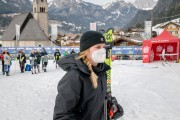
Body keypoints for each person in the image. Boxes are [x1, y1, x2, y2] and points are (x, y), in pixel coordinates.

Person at [53, 31, 123, 120]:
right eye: (98, 47)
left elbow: (98, 101)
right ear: (86, 50)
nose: (102, 50)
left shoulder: (102, 72)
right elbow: (62, 116)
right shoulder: (74, 77)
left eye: (103, 47)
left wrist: (110, 107)